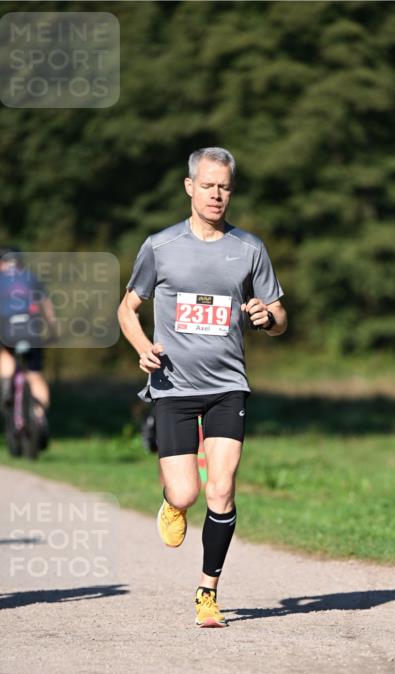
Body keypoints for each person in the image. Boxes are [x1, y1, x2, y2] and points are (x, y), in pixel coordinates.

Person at [117, 147, 287, 627]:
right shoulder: (160, 247)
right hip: (172, 385)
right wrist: (141, 345)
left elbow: (279, 318)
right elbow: (127, 308)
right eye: (208, 185)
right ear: (190, 187)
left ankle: (207, 592)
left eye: (225, 187)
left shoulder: (249, 249)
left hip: (227, 385)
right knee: (187, 491)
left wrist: (266, 316)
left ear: (231, 191)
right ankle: (172, 503)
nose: (216, 194)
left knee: (223, 488)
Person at [0, 247, 54, 436]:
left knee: (6, 352)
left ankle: (7, 384)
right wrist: (53, 328)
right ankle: (39, 417)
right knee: (35, 375)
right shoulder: (31, 277)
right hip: (32, 327)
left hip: (8, 327)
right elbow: (45, 305)